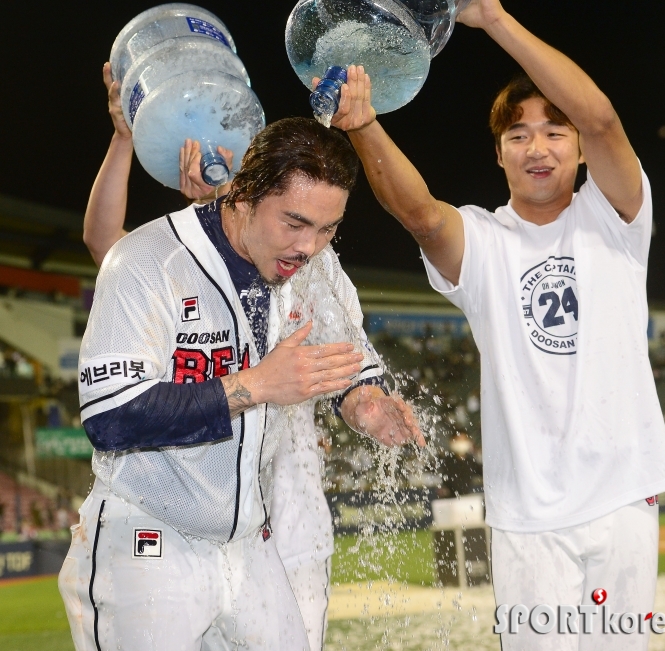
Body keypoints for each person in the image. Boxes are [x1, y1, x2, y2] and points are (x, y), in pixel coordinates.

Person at [330, 0, 665, 648]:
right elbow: (421, 217)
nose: (539, 146)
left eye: (555, 131)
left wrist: (495, 21)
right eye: (518, 135)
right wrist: (364, 125)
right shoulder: (485, 240)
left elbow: (604, 116)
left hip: (621, 500)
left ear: (579, 150)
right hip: (527, 518)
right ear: (499, 156)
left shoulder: (615, 217)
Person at [59, 66, 424, 651]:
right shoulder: (146, 260)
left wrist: (365, 404)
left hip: (249, 543)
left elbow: (348, 363)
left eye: (327, 229)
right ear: (244, 194)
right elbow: (111, 417)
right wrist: (253, 385)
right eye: (295, 222)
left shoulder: (311, 267)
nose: (308, 246)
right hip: (148, 536)